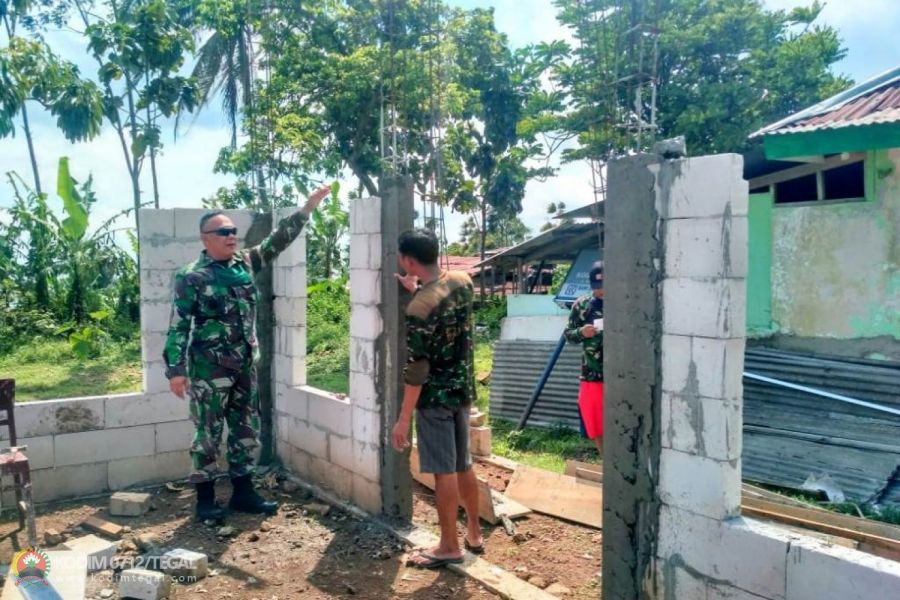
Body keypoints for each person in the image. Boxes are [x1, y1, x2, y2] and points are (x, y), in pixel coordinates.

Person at [164, 185, 330, 521]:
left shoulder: (245, 263)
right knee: (208, 434)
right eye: (224, 232)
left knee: (245, 430)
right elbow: (179, 324)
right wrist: (176, 369)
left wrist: (306, 209)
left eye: (234, 231)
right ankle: (206, 499)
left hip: (244, 367)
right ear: (205, 238)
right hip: (209, 371)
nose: (231, 237)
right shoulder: (191, 276)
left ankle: (243, 493)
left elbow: (277, 241)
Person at [391, 228, 484, 568]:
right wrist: (418, 289)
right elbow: (445, 312)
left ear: (409, 260)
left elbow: (417, 368)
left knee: (444, 472)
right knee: (464, 464)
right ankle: (474, 533)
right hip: (462, 390)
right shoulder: (462, 281)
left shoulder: (418, 309)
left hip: (435, 398)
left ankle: (448, 546)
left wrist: (403, 420)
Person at [564, 261, 605, 454]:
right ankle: (606, 461)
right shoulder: (582, 305)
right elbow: (568, 334)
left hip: (622, 374)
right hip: (592, 372)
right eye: (597, 288)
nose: (601, 291)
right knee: (594, 421)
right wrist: (581, 332)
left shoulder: (625, 302)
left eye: (604, 287)